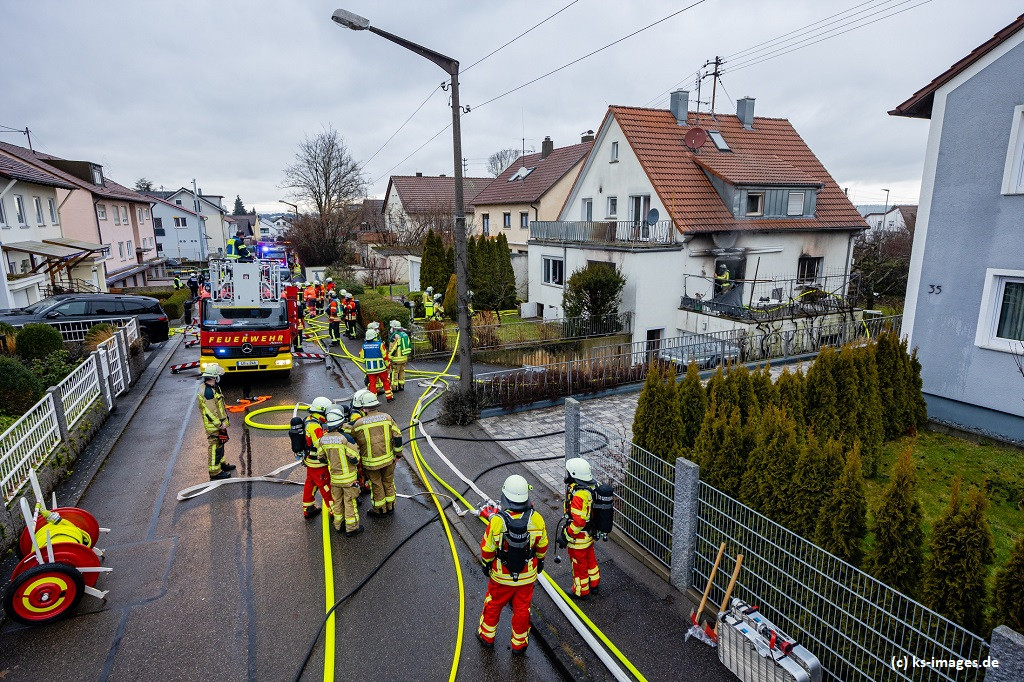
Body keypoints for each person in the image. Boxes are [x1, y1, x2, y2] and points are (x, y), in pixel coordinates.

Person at [477, 475, 548, 653]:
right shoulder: (537, 519)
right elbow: (543, 545)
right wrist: (540, 561)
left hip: (501, 576)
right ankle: (519, 644)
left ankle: (487, 637)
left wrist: (486, 564)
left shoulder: (497, 521)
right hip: (527, 576)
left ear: (505, 497)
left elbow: (487, 548)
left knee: (493, 604)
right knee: (522, 609)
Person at [347, 389, 402, 517]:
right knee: (388, 483)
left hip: (371, 463)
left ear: (364, 408)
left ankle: (380, 510)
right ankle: (391, 507)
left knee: (377, 485)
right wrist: (398, 455)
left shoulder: (358, 424)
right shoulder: (387, 418)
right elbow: (398, 437)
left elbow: (352, 439)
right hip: (388, 459)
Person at [321, 407, 364, 537]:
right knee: (350, 502)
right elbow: (355, 458)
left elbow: (321, 458)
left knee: (337, 502)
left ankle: (338, 525)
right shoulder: (346, 439)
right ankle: (352, 528)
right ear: (340, 423)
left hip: (335, 478)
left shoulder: (323, 439)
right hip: (348, 479)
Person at [563, 457, 600, 598]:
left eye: (568, 472)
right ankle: (594, 583)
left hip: (579, 538)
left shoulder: (579, 495)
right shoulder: (592, 488)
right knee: (590, 559)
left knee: (579, 565)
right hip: (589, 535)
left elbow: (578, 522)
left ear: (574, 474)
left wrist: (566, 535)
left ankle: (581, 591)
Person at [197, 364, 236, 480]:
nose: (219, 377)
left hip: (219, 423)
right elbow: (210, 412)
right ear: (213, 377)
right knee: (215, 447)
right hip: (214, 426)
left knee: (220, 444)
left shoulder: (214, 387)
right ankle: (215, 472)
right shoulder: (208, 392)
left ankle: (221, 464)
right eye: (217, 375)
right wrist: (220, 424)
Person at [301, 396, 336, 519]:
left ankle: (308, 508)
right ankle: (335, 512)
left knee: (310, 483)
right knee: (326, 486)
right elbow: (320, 444)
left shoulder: (309, 420)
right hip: (318, 463)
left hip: (310, 461)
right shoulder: (315, 426)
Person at [360, 328, 394, 402]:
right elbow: (385, 357)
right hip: (381, 369)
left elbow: (361, 357)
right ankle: (389, 397)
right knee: (385, 381)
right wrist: (388, 366)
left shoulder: (364, 346)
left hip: (370, 370)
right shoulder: (380, 345)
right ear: (374, 336)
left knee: (372, 384)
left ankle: (373, 400)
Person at [387, 320, 411, 392]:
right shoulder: (404, 335)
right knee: (402, 371)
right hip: (404, 358)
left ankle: (394, 387)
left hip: (396, 359)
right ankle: (401, 385)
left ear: (394, 328)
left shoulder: (395, 336)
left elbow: (392, 348)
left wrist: (389, 357)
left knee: (395, 372)